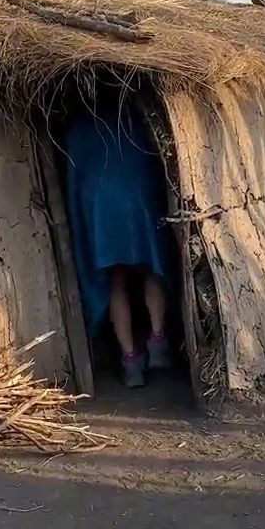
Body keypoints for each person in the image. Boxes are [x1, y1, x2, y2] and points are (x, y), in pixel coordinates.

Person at [65, 91, 174, 388]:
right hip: (140, 206)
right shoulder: (137, 122)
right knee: (151, 268)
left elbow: (75, 183)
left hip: (101, 215)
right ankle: (157, 338)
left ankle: (130, 360)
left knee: (116, 281)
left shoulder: (79, 129)